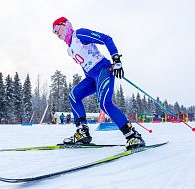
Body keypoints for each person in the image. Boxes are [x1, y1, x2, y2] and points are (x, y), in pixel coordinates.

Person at [52, 17, 145, 150]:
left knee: (105, 104)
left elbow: (106, 38)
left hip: (103, 69)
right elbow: (85, 65)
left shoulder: (79, 34)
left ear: (65, 25)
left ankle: (132, 136)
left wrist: (116, 59)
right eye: (53, 32)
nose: (56, 33)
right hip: (91, 77)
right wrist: (94, 84)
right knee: (73, 96)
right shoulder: (69, 48)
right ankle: (82, 133)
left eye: (56, 29)